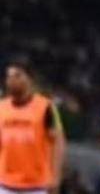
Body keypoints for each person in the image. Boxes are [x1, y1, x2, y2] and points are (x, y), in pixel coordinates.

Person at [0, 58, 64, 194]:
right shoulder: (1, 107)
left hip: (36, 186)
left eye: (17, 75)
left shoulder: (46, 107)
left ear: (29, 79)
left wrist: (56, 177)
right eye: (9, 76)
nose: (11, 80)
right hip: (5, 184)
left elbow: (58, 142)